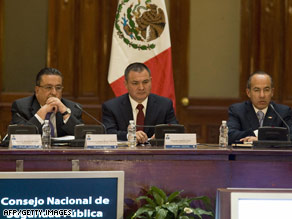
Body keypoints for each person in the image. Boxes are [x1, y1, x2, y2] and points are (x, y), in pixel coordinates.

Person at [102, 62, 178, 143]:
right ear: (126, 84)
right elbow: (108, 133)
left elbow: (175, 130)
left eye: (145, 82)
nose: (141, 88)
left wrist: (162, 135)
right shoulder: (111, 107)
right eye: (135, 83)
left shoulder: (165, 104)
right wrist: (130, 136)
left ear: (151, 81)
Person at [11, 67, 83, 136]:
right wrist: (42, 112)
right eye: (48, 87)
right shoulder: (21, 107)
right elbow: (17, 137)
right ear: (37, 90)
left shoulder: (73, 108)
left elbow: (83, 137)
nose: (54, 93)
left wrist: (65, 113)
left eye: (58, 88)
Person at [227, 71, 292, 144]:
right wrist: (258, 134)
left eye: (266, 90)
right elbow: (230, 136)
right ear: (248, 93)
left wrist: (260, 139)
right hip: (246, 155)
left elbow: (290, 136)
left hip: (273, 155)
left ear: (272, 92)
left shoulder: (283, 112)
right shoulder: (237, 110)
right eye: (257, 90)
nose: (262, 95)